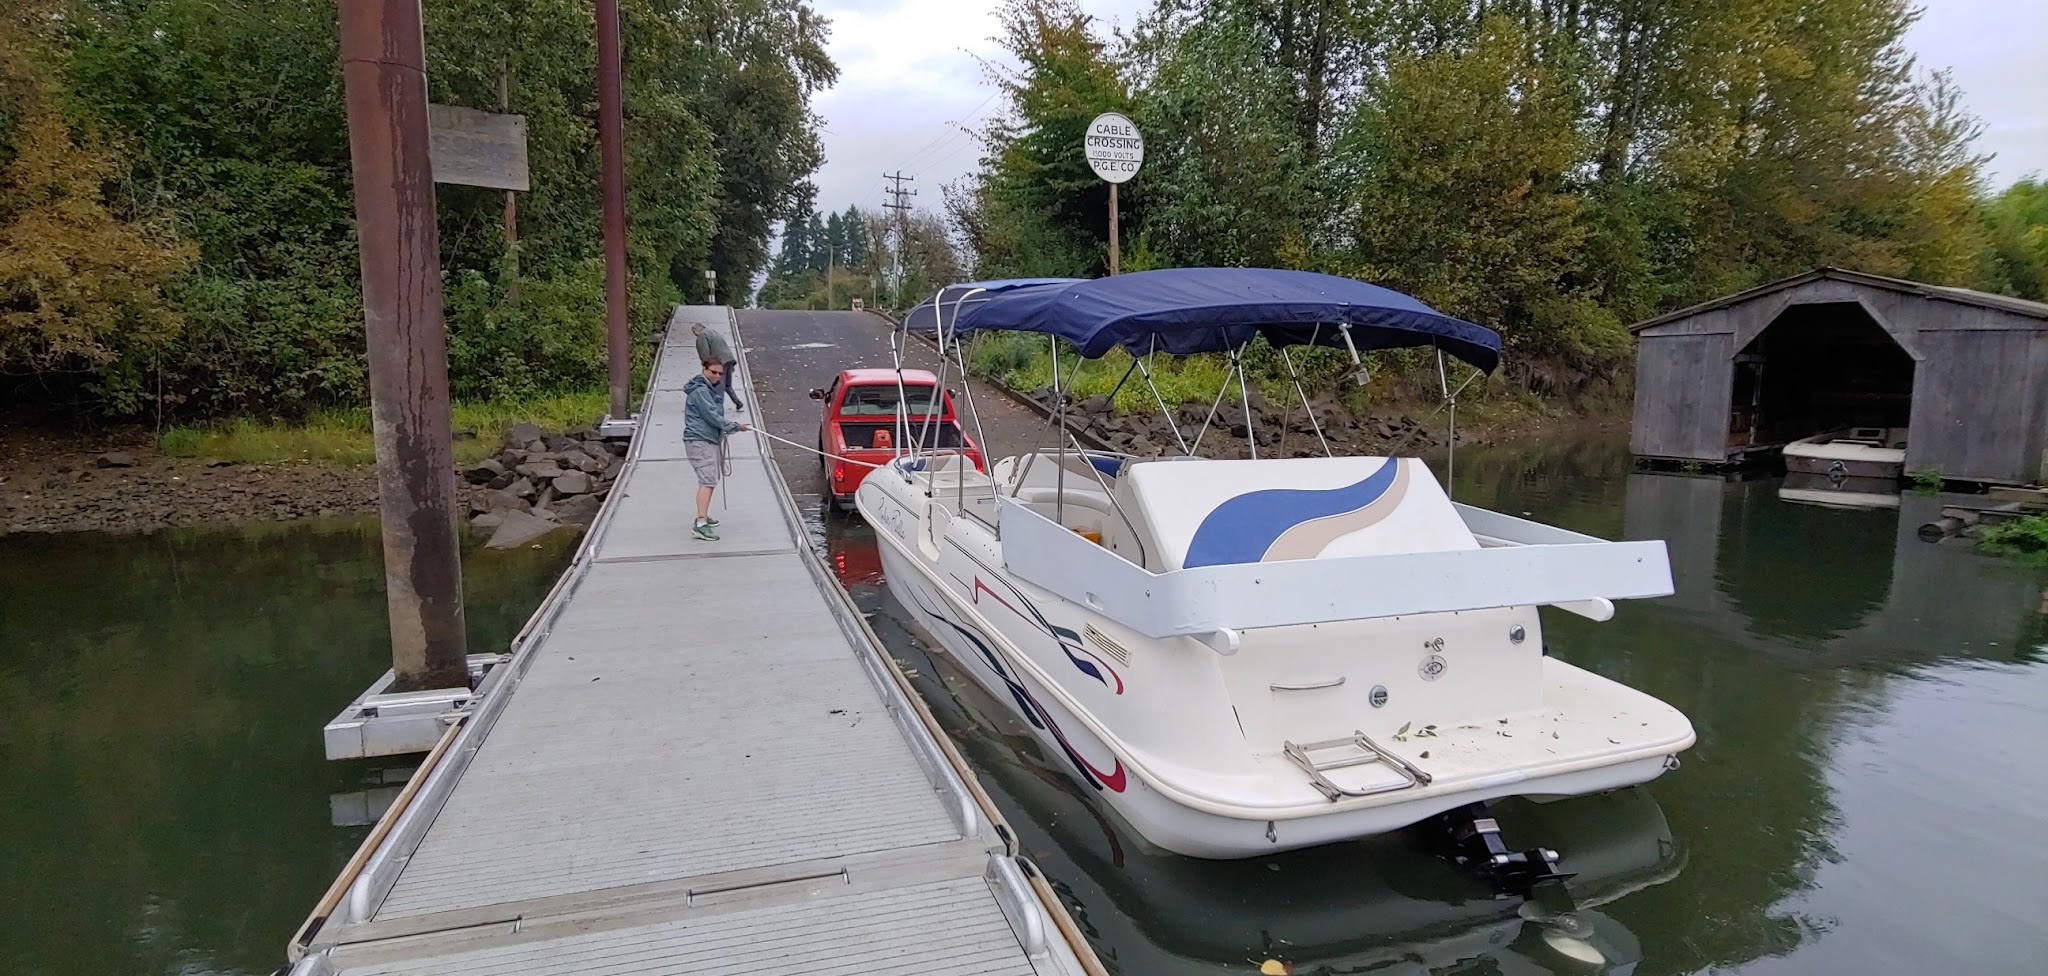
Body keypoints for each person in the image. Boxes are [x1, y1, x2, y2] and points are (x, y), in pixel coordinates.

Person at [684, 358, 749, 541]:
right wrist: (736, 426)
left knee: (710, 479)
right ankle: (701, 523)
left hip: (707, 439)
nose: (717, 376)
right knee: (707, 480)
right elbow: (712, 416)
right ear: (704, 369)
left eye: (720, 373)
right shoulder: (701, 391)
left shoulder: (706, 389)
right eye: (713, 372)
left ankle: (703, 515)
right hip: (700, 441)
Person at [690, 322, 743, 410]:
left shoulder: (702, 336)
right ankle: (738, 402)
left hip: (720, 362)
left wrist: (706, 366)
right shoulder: (713, 332)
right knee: (727, 385)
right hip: (729, 359)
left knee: (719, 386)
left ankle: (718, 409)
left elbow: (704, 353)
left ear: (696, 331)